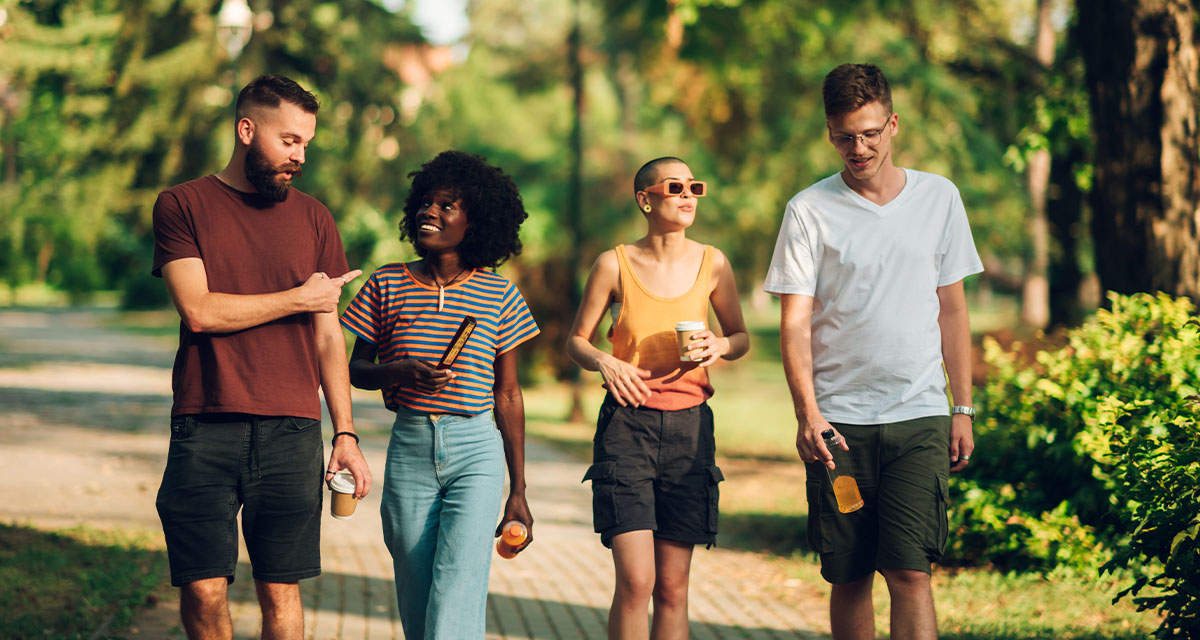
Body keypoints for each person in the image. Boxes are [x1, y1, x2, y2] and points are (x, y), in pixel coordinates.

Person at [763, 63, 983, 640]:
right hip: (840, 428)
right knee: (850, 575)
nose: (857, 148)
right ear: (828, 133)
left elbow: (953, 310)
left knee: (911, 572)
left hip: (919, 416)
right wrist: (807, 413)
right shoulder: (808, 210)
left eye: (869, 133)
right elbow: (794, 322)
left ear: (893, 125)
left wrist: (962, 408)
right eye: (843, 137)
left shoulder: (939, 197)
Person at [151, 74, 371, 640]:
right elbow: (198, 310)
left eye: (306, 145)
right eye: (289, 141)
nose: (300, 157)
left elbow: (328, 339)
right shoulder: (182, 205)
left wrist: (345, 434)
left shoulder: (316, 219)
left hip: (293, 431)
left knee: (281, 589)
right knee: (203, 588)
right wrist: (300, 297)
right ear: (247, 130)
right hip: (205, 423)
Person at [339, 150, 539, 639]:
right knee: (415, 581)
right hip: (410, 445)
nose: (431, 212)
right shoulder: (386, 282)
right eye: (426, 203)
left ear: (476, 221)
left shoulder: (500, 293)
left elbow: (509, 396)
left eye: (448, 205)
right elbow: (357, 371)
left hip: (477, 449)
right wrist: (399, 371)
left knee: (457, 583)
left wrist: (519, 490)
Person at [567, 156, 750, 639]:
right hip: (627, 429)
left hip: (690, 429)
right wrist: (604, 361)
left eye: (695, 186)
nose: (688, 195)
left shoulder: (714, 264)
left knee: (672, 587)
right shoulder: (614, 264)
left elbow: (740, 337)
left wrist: (720, 345)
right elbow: (577, 341)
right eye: (675, 187)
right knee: (636, 580)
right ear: (645, 199)